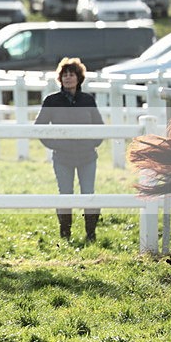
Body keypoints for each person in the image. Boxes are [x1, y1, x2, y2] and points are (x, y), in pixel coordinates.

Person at [34, 57, 104, 242]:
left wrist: (92, 143)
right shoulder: (51, 100)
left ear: (78, 77)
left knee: (88, 194)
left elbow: (100, 126)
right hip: (62, 157)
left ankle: (91, 234)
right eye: (64, 75)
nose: (68, 78)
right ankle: (65, 234)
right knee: (65, 194)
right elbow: (39, 127)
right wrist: (55, 145)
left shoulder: (88, 100)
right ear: (60, 78)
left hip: (87, 157)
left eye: (71, 74)